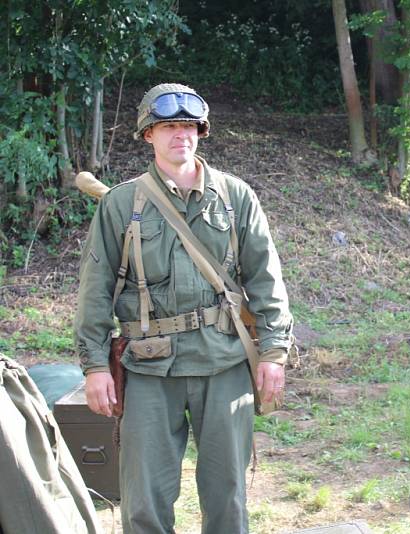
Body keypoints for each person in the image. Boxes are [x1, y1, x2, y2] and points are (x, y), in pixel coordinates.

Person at [74, 83, 294, 533]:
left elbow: (266, 280)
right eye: (169, 126)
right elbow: (95, 290)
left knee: (227, 499)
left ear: (201, 131)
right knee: (144, 503)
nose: (181, 135)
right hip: (151, 369)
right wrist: (95, 366)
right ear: (148, 135)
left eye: (189, 126)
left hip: (224, 363)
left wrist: (273, 354)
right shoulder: (122, 204)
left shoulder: (235, 197)